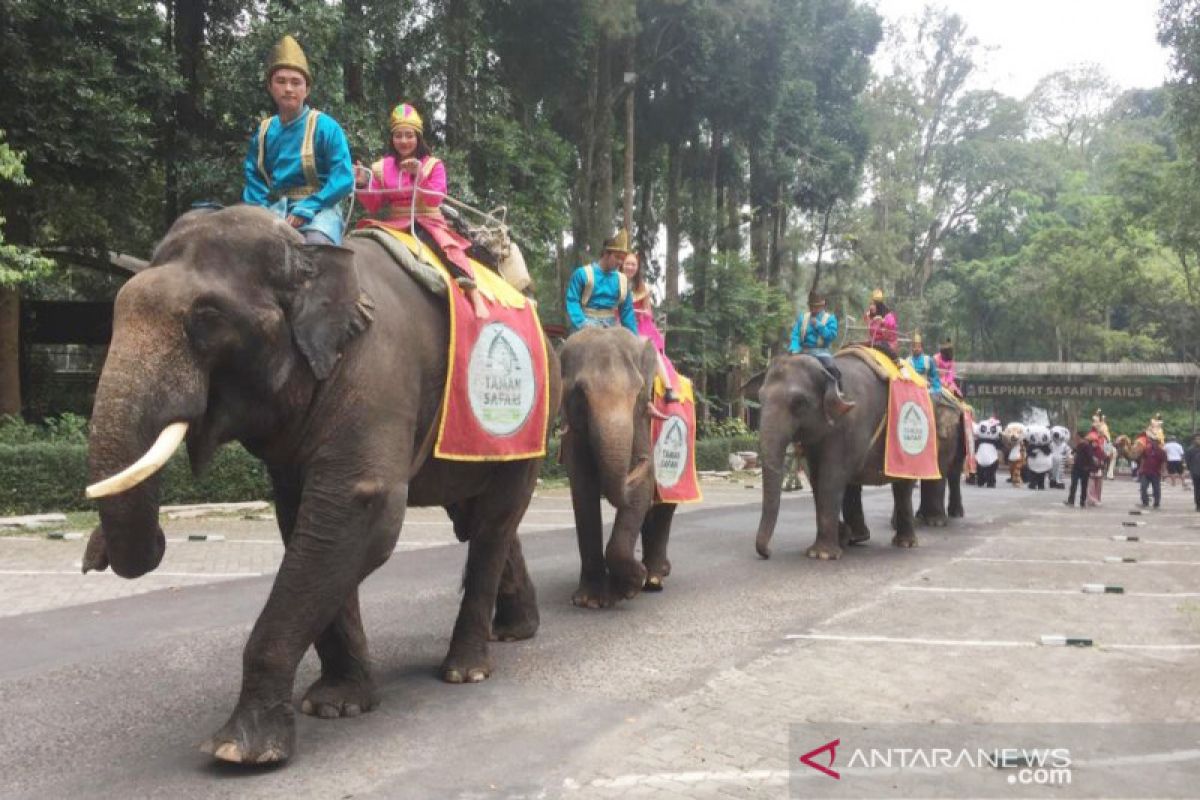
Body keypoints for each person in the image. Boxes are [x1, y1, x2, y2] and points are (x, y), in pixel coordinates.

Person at [355, 102, 489, 318]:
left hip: (427, 221)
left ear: (418, 137)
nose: (404, 141)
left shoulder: (433, 165)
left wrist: (420, 175)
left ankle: (472, 293)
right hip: (394, 223)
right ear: (392, 138)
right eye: (399, 136)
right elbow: (375, 204)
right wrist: (362, 184)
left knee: (445, 247)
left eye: (409, 135)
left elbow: (435, 199)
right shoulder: (381, 167)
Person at [243, 35, 354, 245]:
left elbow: (343, 177)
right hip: (276, 211)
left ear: (307, 89)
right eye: (281, 81)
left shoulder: (326, 127)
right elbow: (254, 176)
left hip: (321, 210)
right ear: (270, 86)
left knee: (316, 247)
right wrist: (261, 212)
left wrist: (309, 206)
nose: (288, 88)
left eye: (296, 82)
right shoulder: (264, 132)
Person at [622, 251, 680, 403]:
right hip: (619, 323)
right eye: (627, 263)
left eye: (633, 264)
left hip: (639, 324)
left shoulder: (643, 288)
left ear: (637, 267)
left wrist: (636, 311)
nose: (630, 267)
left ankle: (668, 388)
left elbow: (648, 311)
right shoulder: (615, 284)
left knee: (651, 349)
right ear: (622, 265)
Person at [789, 290, 854, 412]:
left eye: (816, 307)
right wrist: (794, 348)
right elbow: (795, 336)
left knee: (832, 369)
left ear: (823, 306)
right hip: (803, 351)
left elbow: (831, 336)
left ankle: (838, 397)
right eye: (812, 306)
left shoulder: (830, 319)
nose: (814, 309)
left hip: (821, 351)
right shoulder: (802, 318)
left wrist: (819, 326)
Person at [564, 230, 638, 336]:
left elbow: (627, 313)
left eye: (622, 259)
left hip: (611, 328)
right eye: (617, 257)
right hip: (584, 325)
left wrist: (633, 338)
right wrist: (583, 324)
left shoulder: (623, 281)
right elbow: (572, 301)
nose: (620, 262)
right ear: (606, 254)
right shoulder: (582, 274)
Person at [1136, 426, 1166, 510]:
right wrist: (1140, 469)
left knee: (1156, 489)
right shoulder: (1146, 449)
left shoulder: (1161, 451)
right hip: (1145, 472)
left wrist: (1163, 472)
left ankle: (1156, 503)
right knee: (1143, 487)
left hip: (1156, 472)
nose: (1153, 442)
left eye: (1154, 441)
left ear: (1158, 442)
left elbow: (1163, 462)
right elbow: (1142, 459)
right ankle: (1145, 502)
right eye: (1152, 441)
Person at [1065, 430, 1095, 509]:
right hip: (1076, 468)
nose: (1074, 438)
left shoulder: (1086, 446)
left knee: (1083, 486)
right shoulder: (1078, 445)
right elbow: (1072, 453)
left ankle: (1082, 501)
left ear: (1078, 436)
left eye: (1076, 436)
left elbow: (1090, 457)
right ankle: (1071, 500)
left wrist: (1089, 467)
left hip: (1084, 468)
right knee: (1073, 484)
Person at [864, 289, 898, 359]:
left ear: (879, 305)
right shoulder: (871, 316)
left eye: (873, 305)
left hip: (887, 344)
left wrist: (883, 322)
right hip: (874, 343)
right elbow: (870, 333)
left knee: (881, 345)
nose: (871, 307)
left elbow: (891, 335)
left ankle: (896, 361)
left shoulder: (888, 316)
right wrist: (868, 320)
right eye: (870, 304)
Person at [1186, 434, 1200, 511]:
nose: (1198, 440)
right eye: (1197, 439)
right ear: (1194, 440)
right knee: (1197, 489)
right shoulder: (1190, 450)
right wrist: (1190, 470)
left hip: (1195, 471)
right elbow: (1188, 462)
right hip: (1195, 473)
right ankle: (1198, 505)